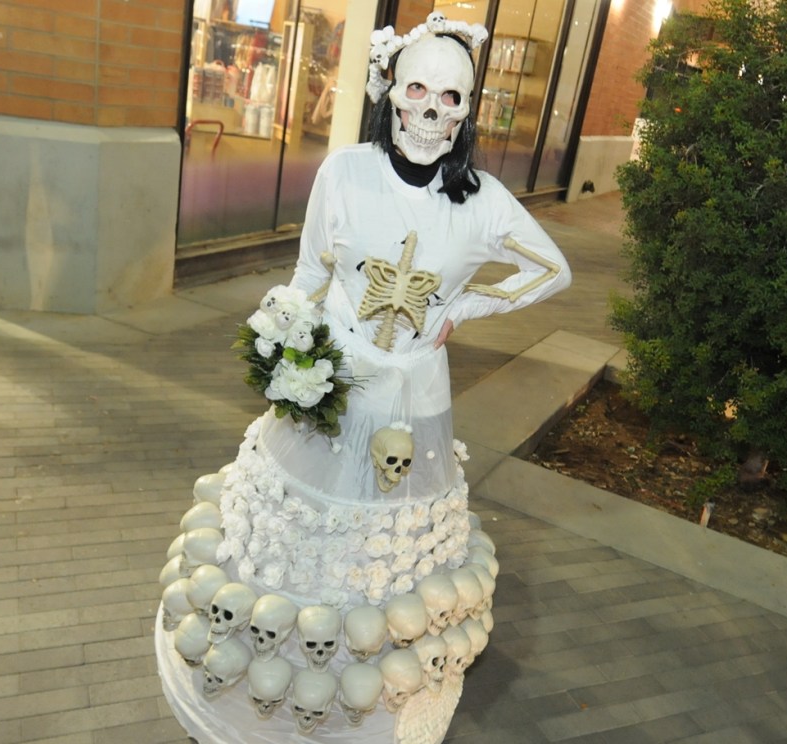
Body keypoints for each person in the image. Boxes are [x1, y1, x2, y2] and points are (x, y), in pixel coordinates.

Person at [155, 14, 571, 742]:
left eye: (451, 98)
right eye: (417, 90)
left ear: (467, 111)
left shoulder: (484, 201)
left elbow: (554, 268)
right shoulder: (345, 171)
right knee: (297, 536)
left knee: (393, 546)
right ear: (392, 94)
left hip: (417, 394)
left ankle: (378, 689)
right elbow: (310, 274)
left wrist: (468, 305)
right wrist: (289, 348)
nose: (432, 113)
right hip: (337, 378)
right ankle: (284, 674)